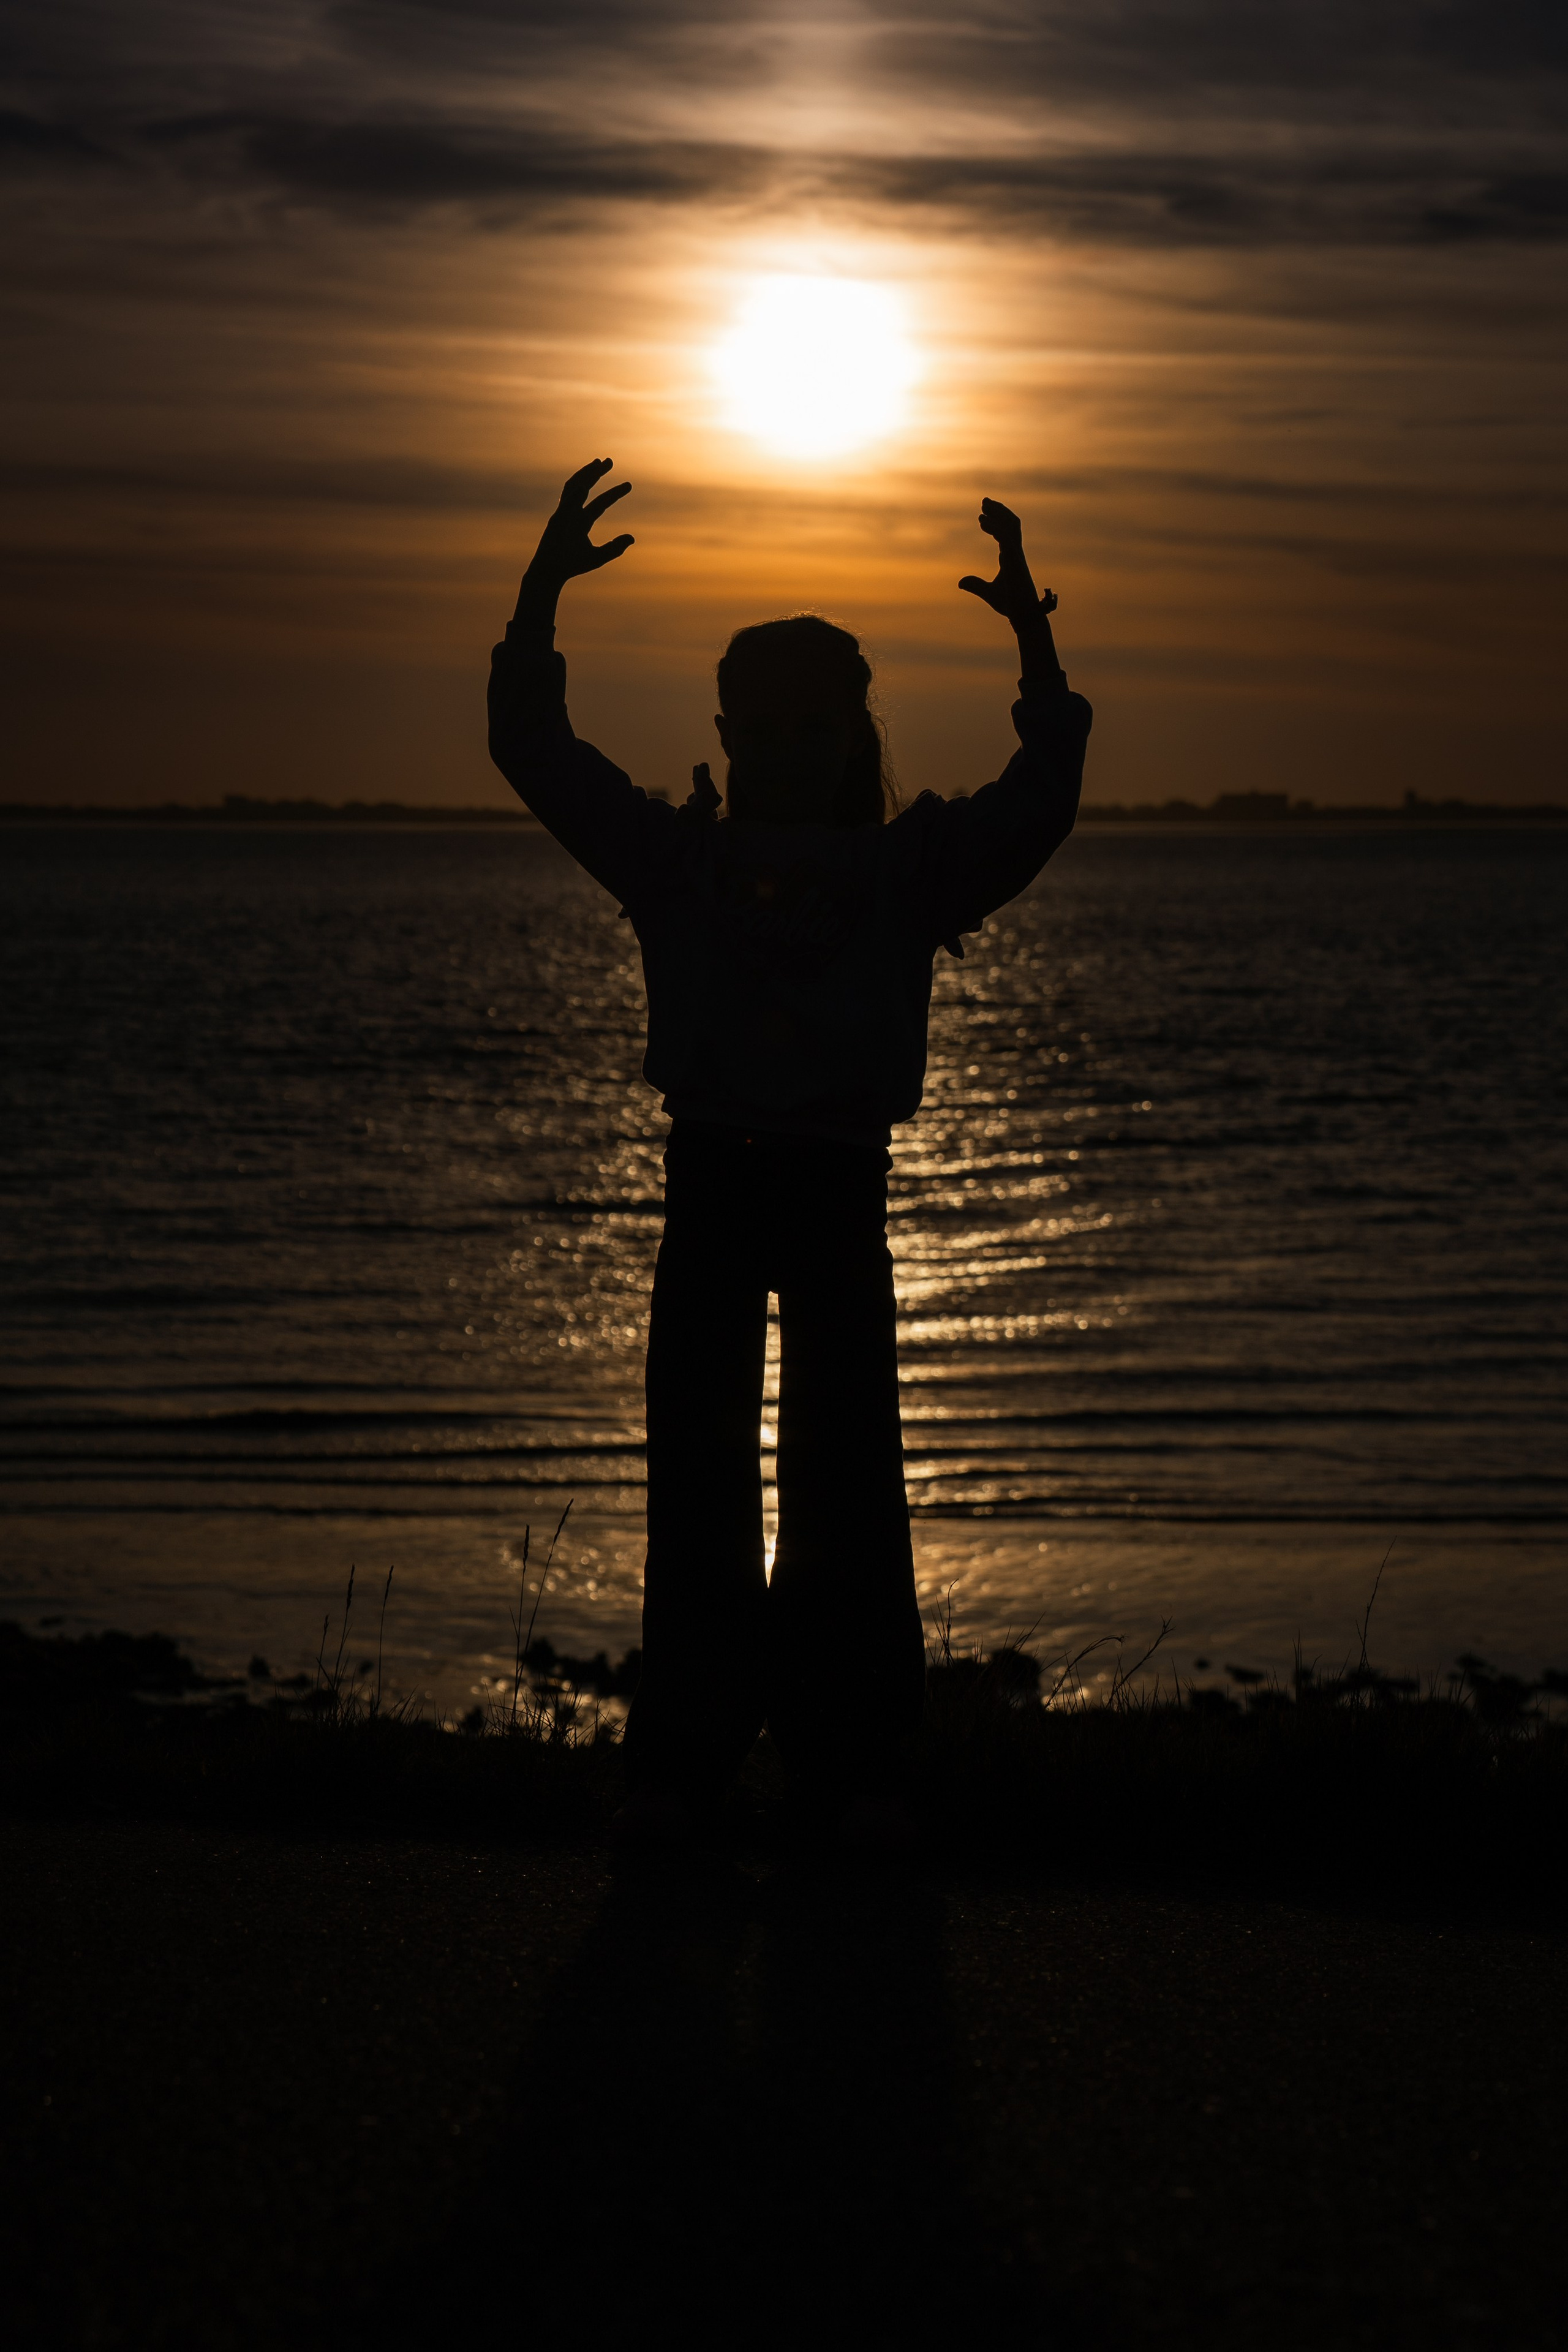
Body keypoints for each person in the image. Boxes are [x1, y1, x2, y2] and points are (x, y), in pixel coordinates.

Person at [488, 461, 1091, 1847]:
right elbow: (536, 749)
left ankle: (855, 1773)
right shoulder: (677, 863)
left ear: (850, 734)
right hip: (710, 1181)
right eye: (759, 728)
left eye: (812, 728)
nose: (783, 750)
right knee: (699, 1478)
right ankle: (680, 1773)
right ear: (724, 731)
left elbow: (1042, 797)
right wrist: (538, 597)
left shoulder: (905, 870)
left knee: (845, 1478)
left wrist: (1033, 640)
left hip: (834, 1190)